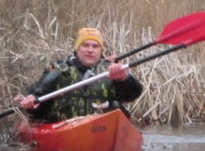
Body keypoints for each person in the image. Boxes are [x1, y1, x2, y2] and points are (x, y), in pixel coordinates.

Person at [14, 27, 143, 122]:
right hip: (65, 130)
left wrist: (124, 78)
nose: (90, 50)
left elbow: (133, 94)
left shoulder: (111, 70)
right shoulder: (59, 70)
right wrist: (29, 102)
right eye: (85, 45)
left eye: (95, 46)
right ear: (77, 49)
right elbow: (37, 100)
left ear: (100, 50)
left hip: (104, 129)